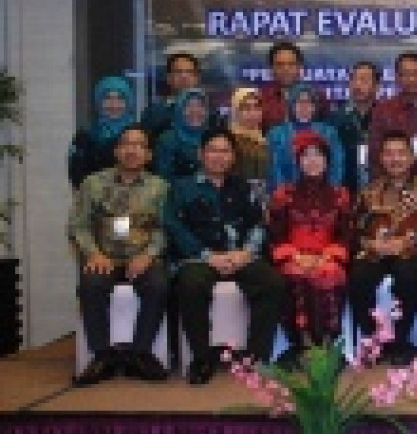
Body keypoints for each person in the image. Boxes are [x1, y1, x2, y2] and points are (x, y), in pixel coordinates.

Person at [164, 128, 285, 384]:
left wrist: (246, 252)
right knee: (191, 284)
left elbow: (258, 223)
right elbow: (175, 227)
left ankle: (256, 358)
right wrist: (207, 255)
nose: (219, 156)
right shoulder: (182, 188)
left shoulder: (243, 187)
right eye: (213, 150)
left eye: (225, 151)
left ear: (233, 156)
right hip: (199, 258)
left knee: (273, 283)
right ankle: (201, 358)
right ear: (201, 154)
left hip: (240, 255)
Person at [68, 124, 170, 385]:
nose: (132, 150)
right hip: (104, 257)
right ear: (116, 150)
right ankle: (102, 356)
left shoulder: (160, 187)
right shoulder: (92, 183)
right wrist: (93, 253)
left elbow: (165, 228)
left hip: (143, 257)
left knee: (159, 285)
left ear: (149, 154)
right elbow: (78, 226)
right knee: (91, 284)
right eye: (126, 144)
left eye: (139, 145)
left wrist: (149, 254)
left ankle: (140, 354)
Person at [345, 130, 417, 366]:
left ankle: (399, 342)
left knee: (409, 275)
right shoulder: (369, 191)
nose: (395, 159)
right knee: (359, 277)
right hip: (375, 251)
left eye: (401, 153)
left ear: (411, 157)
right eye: (389, 154)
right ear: (381, 158)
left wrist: (407, 242)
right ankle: (373, 340)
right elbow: (355, 228)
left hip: (411, 251)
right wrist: (372, 244)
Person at [268, 130, 352, 355]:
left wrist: (327, 255)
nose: (312, 161)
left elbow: (345, 234)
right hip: (293, 255)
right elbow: (276, 233)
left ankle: (327, 345)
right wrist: (295, 255)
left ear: (327, 160)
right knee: (294, 273)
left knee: (328, 273)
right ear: (298, 161)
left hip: (328, 255)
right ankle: (299, 345)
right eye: (306, 155)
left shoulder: (340, 194)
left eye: (318, 155)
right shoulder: (284, 194)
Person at [370, 52, 417, 184]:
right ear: (397, 77)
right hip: (394, 187)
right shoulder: (383, 111)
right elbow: (375, 154)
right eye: (406, 74)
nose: (412, 79)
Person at [266, 84, 344, 191]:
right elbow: (274, 168)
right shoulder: (276, 134)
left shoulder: (328, 132)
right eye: (300, 102)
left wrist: (330, 191)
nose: (304, 106)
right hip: (286, 194)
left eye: (309, 102)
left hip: (323, 194)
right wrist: (282, 193)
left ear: (314, 106)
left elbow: (336, 165)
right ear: (292, 106)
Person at [68, 76, 136, 190]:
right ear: (98, 102)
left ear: (128, 102)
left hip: (136, 197)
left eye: (120, 99)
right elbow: (76, 174)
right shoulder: (85, 135)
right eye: (107, 98)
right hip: (96, 196)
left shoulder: (138, 133)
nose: (114, 105)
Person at [328, 61, 378, 194]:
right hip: (344, 188)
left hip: (378, 187)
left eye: (364, 80)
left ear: (376, 86)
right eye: (354, 79)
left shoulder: (384, 116)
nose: (357, 85)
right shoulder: (335, 118)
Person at [261, 42, 326, 129]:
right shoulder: (261, 99)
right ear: (271, 68)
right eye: (280, 64)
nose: (286, 69)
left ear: (300, 67)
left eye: (291, 64)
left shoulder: (317, 96)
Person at [142, 53, 208, 138]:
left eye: (189, 72)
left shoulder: (208, 112)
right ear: (168, 78)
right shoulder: (154, 113)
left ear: (196, 78)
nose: (184, 77)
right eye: (178, 72)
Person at [154, 88, 210, 179]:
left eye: (200, 106)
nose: (195, 110)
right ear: (179, 110)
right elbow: (163, 178)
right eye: (189, 106)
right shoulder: (167, 140)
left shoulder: (212, 138)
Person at [228, 88, 270, 186]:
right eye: (246, 108)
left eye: (257, 107)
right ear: (236, 111)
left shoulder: (264, 139)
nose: (252, 113)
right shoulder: (228, 140)